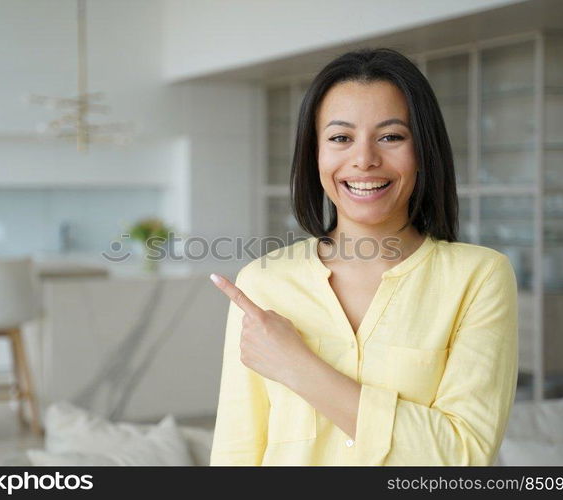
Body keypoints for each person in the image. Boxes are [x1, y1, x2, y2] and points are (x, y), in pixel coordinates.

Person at [208, 48, 518, 466]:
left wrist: (297, 366)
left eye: (391, 137)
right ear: (314, 154)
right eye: (340, 138)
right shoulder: (264, 282)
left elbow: (462, 455)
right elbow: (236, 454)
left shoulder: (479, 277)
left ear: (423, 150)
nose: (365, 159)